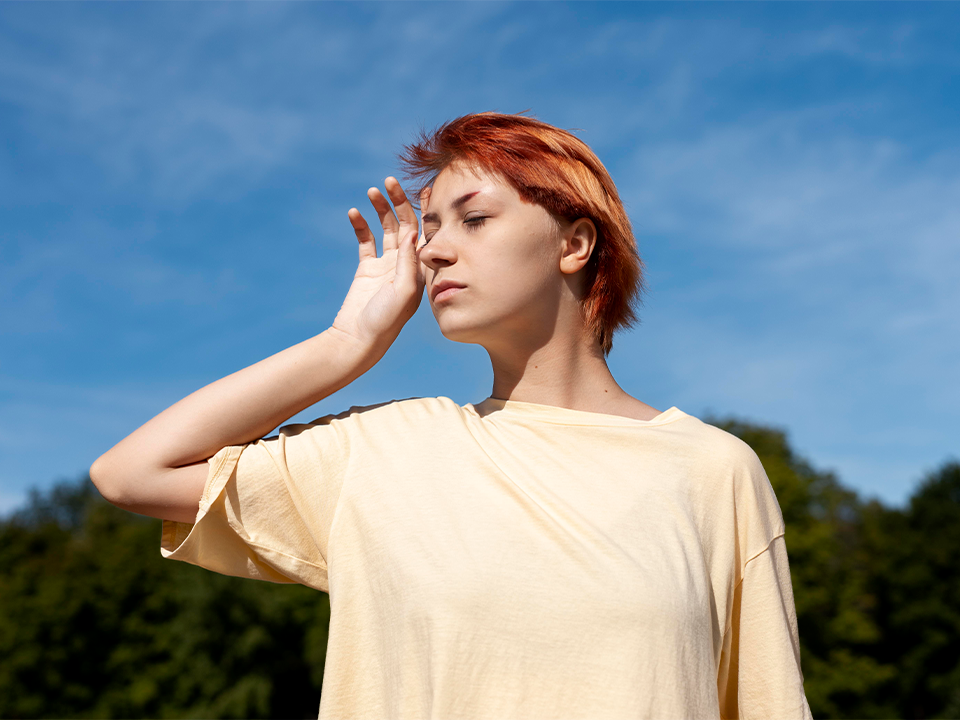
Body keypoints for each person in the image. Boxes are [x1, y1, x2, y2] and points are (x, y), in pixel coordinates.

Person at [91, 112, 813, 720]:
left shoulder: (712, 471)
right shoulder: (382, 451)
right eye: (429, 227)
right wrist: (347, 344)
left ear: (574, 243)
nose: (433, 250)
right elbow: (132, 473)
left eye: (473, 219)